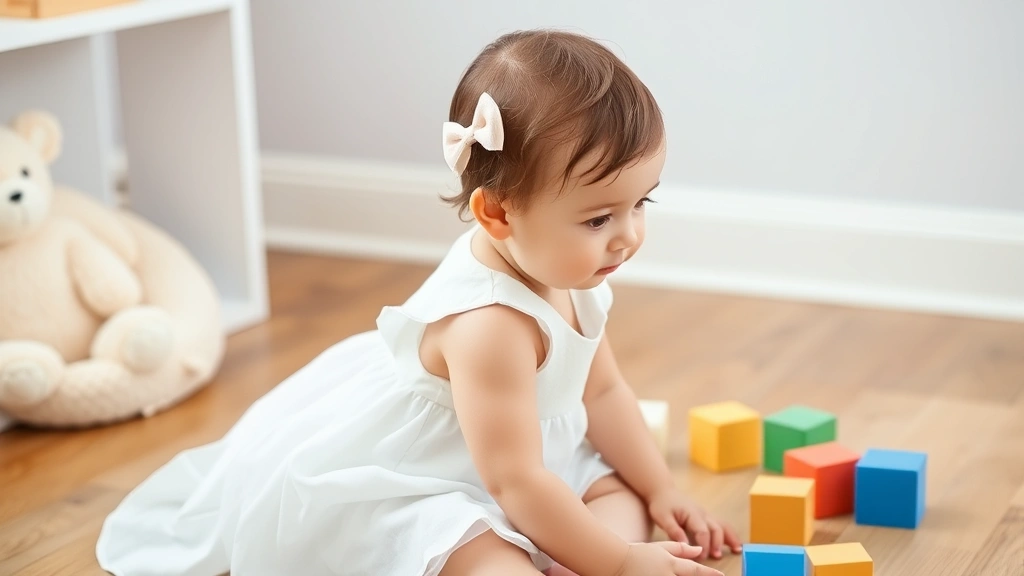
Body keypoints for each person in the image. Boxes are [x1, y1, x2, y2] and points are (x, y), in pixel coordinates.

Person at [96, 29, 742, 576]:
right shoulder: (489, 325)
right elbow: (513, 482)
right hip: (429, 478)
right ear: (497, 214)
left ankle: (570, 547)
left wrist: (660, 489)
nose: (628, 236)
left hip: (524, 456)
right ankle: (548, 552)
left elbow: (600, 395)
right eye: (600, 218)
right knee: (490, 548)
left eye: (641, 204)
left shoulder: (576, 273)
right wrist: (625, 564)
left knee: (623, 499)